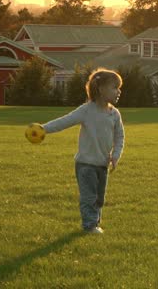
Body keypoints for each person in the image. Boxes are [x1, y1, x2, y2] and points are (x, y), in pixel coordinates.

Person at [39, 68, 124, 234]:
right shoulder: (86, 110)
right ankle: (90, 226)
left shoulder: (114, 114)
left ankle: (95, 224)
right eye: (115, 87)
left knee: (99, 199)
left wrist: (115, 155)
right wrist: (44, 129)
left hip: (102, 164)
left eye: (119, 87)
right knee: (89, 198)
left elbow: (120, 137)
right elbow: (65, 121)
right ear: (100, 89)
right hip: (85, 164)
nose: (118, 91)